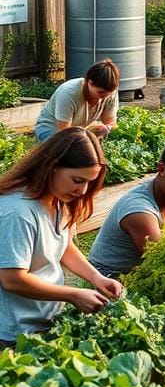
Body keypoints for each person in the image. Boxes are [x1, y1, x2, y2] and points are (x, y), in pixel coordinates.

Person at [0, 129, 123, 345]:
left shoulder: (57, 199)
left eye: (88, 182)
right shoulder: (18, 212)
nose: (82, 190)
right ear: (52, 167)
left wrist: (95, 278)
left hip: (46, 320)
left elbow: (62, 245)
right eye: (77, 180)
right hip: (14, 333)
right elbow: (12, 279)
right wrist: (73, 295)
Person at [88, 139, 165, 278]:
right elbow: (162, 261)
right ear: (161, 170)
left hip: (141, 274)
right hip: (106, 277)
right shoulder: (139, 210)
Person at [34, 59, 120, 142]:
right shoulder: (68, 93)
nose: (103, 98)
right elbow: (64, 133)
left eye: (108, 94)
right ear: (89, 83)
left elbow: (111, 122)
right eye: (101, 93)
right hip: (52, 129)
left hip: (78, 131)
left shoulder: (111, 93)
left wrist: (107, 128)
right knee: (66, 153)